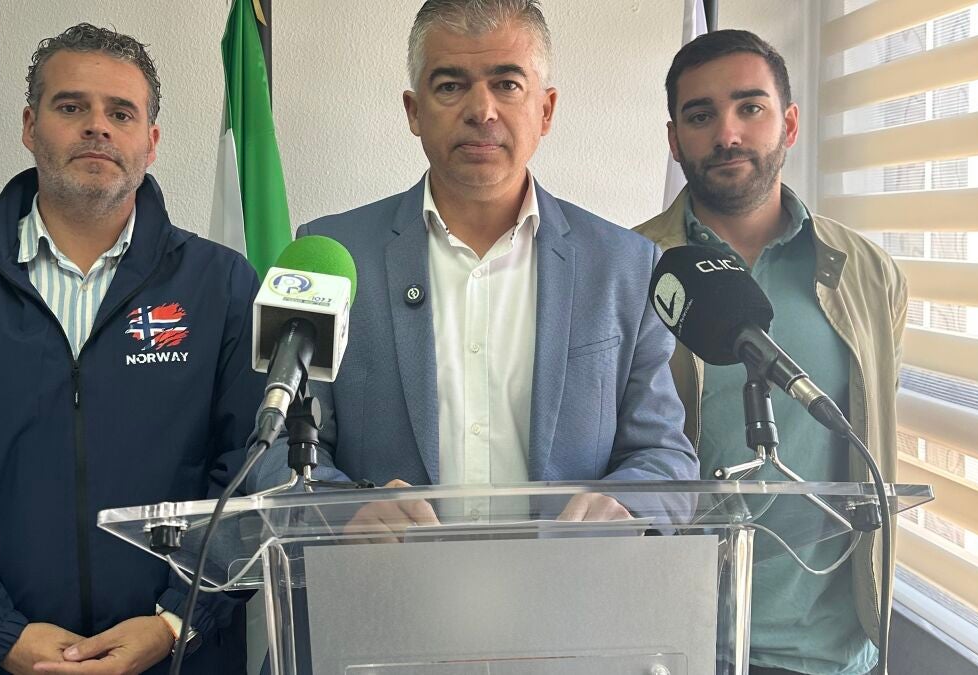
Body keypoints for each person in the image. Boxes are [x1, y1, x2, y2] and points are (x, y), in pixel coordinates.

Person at [0, 23, 263, 674]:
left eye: (121, 113)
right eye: (71, 106)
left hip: (178, 657)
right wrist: (0, 637)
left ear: (151, 141)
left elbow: (251, 477)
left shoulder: (222, 288)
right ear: (30, 126)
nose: (97, 126)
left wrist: (173, 621)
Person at [247, 0, 697, 525]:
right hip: (388, 574)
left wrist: (627, 505)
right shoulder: (332, 256)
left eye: (507, 84)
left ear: (546, 110)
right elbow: (273, 455)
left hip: (568, 573)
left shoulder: (627, 266)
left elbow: (665, 456)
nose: (482, 110)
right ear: (414, 111)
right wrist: (344, 515)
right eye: (450, 86)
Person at [635, 29, 907, 675]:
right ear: (674, 139)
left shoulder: (868, 273)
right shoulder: (628, 269)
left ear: (788, 123)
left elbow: (875, 430)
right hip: (677, 640)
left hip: (832, 650)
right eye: (700, 115)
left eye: (750, 107)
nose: (727, 133)